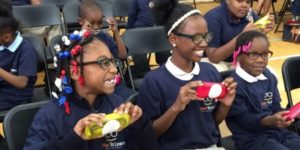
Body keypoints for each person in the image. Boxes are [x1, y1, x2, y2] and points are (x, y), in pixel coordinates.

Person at [24, 31, 158, 150]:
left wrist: (141, 124)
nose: (114, 69)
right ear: (75, 71)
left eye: (112, 61)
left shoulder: (117, 103)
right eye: (104, 63)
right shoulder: (50, 117)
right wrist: (73, 140)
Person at [136, 0, 237, 149]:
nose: (203, 44)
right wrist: (177, 106)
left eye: (206, 36)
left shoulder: (209, 72)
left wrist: (224, 106)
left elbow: (211, 123)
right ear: (173, 39)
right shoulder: (154, 81)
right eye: (196, 38)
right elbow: (148, 135)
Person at [225, 30, 300, 150]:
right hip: (251, 140)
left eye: (265, 54)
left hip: (278, 132)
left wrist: (289, 114)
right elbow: (243, 121)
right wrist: (269, 120)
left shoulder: (268, 76)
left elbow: (275, 107)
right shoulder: (234, 85)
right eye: (253, 54)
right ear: (238, 56)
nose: (261, 60)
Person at [203, 0, 274, 71]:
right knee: (218, 71)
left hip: (238, 60)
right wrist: (242, 36)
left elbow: (256, 39)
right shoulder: (213, 18)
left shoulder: (249, 13)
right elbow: (213, 58)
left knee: (271, 73)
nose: (245, 5)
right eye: (240, 1)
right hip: (215, 62)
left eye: (248, 2)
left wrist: (263, 30)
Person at [0, 2, 37, 111]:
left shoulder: (26, 49)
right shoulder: (2, 45)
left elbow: (22, 83)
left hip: (17, 97)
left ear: (6, 37)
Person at [127, 0, 171, 78]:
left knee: (165, 54)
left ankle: (165, 76)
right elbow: (132, 15)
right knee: (139, 57)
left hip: (158, 32)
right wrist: (129, 32)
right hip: (140, 32)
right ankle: (144, 76)